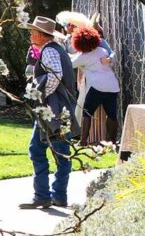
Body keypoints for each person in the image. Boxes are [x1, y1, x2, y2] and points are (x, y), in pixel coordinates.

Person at [21, 16, 78, 210]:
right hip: (57, 109)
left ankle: (45, 196)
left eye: (32, 31)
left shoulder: (49, 50)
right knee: (56, 152)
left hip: (52, 110)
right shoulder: (54, 49)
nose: (30, 34)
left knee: (45, 151)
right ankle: (55, 195)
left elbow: (55, 75)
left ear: (40, 34)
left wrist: (41, 94)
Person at [70, 25, 120, 144]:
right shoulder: (102, 51)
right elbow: (111, 54)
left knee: (87, 112)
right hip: (112, 86)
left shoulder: (83, 57)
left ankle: (83, 141)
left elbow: (71, 64)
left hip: (97, 87)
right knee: (112, 114)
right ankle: (111, 141)